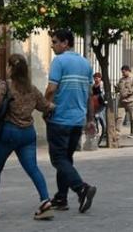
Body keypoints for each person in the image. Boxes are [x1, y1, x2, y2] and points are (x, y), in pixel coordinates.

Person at [0, 54, 55, 220]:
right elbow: (46, 107)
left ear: (11, 68)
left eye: (7, 65)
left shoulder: (5, 86)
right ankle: (45, 201)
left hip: (8, 133)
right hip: (28, 134)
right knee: (33, 169)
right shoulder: (32, 89)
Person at [45, 29, 97, 214]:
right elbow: (90, 94)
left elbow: (51, 88)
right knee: (66, 159)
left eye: (55, 41)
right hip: (77, 121)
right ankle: (61, 197)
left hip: (60, 119)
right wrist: (90, 119)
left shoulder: (59, 61)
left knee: (58, 159)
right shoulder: (85, 63)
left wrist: (45, 106)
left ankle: (81, 188)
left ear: (65, 43)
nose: (52, 45)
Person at [116, 65, 133, 139]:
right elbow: (118, 88)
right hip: (122, 101)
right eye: (122, 72)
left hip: (131, 101)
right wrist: (117, 89)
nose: (122, 74)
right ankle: (117, 133)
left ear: (128, 71)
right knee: (119, 117)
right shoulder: (121, 80)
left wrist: (126, 93)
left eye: (123, 72)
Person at [91, 72, 107, 147]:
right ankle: (98, 136)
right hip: (95, 105)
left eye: (97, 78)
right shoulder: (93, 86)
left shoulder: (102, 85)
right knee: (96, 121)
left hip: (101, 105)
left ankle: (104, 133)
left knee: (102, 121)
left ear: (100, 78)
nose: (96, 79)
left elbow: (103, 94)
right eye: (95, 78)